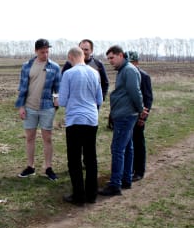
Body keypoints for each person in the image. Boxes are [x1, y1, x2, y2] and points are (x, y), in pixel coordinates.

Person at [98, 45, 146, 196]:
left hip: (125, 115)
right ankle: (126, 179)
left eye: (112, 58)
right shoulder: (124, 70)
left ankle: (115, 184)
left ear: (120, 55)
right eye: (108, 59)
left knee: (117, 148)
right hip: (124, 114)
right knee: (127, 147)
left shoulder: (129, 70)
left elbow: (135, 92)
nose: (110, 61)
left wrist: (140, 110)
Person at [59, 47, 103, 206]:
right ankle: (92, 195)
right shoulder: (95, 73)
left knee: (74, 159)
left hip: (75, 120)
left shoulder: (68, 74)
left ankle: (78, 196)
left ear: (70, 57)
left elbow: (63, 101)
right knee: (91, 158)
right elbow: (100, 99)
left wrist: (57, 100)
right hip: (92, 119)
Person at [15, 38, 61, 181]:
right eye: (42, 52)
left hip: (47, 108)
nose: (45, 54)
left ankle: (48, 168)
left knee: (47, 138)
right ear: (36, 51)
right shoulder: (27, 66)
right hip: (30, 107)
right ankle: (30, 167)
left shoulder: (55, 67)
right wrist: (21, 106)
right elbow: (22, 88)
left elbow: (58, 88)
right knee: (30, 138)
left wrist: (56, 99)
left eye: (47, 52)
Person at [127, 51, 153, 182]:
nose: (129, 64)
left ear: (137, 62)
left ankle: (139, 171)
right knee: (128, 143)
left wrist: (143, 117)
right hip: (127, 115)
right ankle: (129, 169)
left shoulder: (144, 76)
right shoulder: (126, 74)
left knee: (138, 143)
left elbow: (148, 98)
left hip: (138, 116)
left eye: (131, 62)